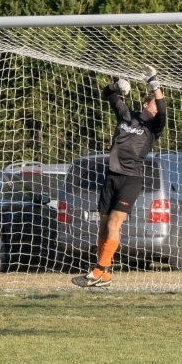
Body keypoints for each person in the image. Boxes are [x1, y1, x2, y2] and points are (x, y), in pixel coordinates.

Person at [72, 65, 166, 288]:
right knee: (103, 224)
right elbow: (108, 94)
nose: (157, 107)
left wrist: (154, 83)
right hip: (111, 176)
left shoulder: (153, 128)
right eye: (153, 101)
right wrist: (115, 85)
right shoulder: (126, 116)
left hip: (130, 179)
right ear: (145, 104)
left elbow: (163, 110)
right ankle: (104, 276)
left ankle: (98, 270)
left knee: (115, 223)